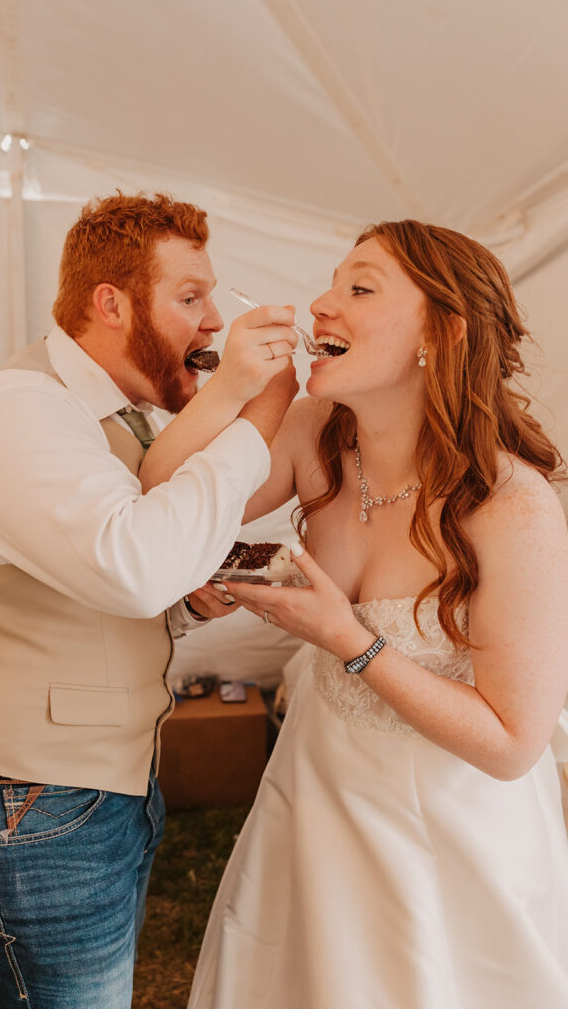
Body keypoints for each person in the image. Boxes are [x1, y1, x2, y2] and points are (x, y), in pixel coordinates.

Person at [143, 220, 568, 1008]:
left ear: (439, 333)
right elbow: (161, 499)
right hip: (315, 790)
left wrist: (345, 640)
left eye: (358, 288)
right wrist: (243, 391)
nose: (319, 305)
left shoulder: (511, 507)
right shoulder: (314, 435)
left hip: (448, 841)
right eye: (331, 283)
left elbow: (512, 745)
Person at [0, 192, 298, 1009]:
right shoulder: (22, 411)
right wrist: (248, 418)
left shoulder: (117, 418)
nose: (211, 326)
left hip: (77, 791)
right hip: (24, 801)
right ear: (110, 303)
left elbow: (101, 580)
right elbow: (132, 566)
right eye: (189, 299)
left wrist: (190, 607)